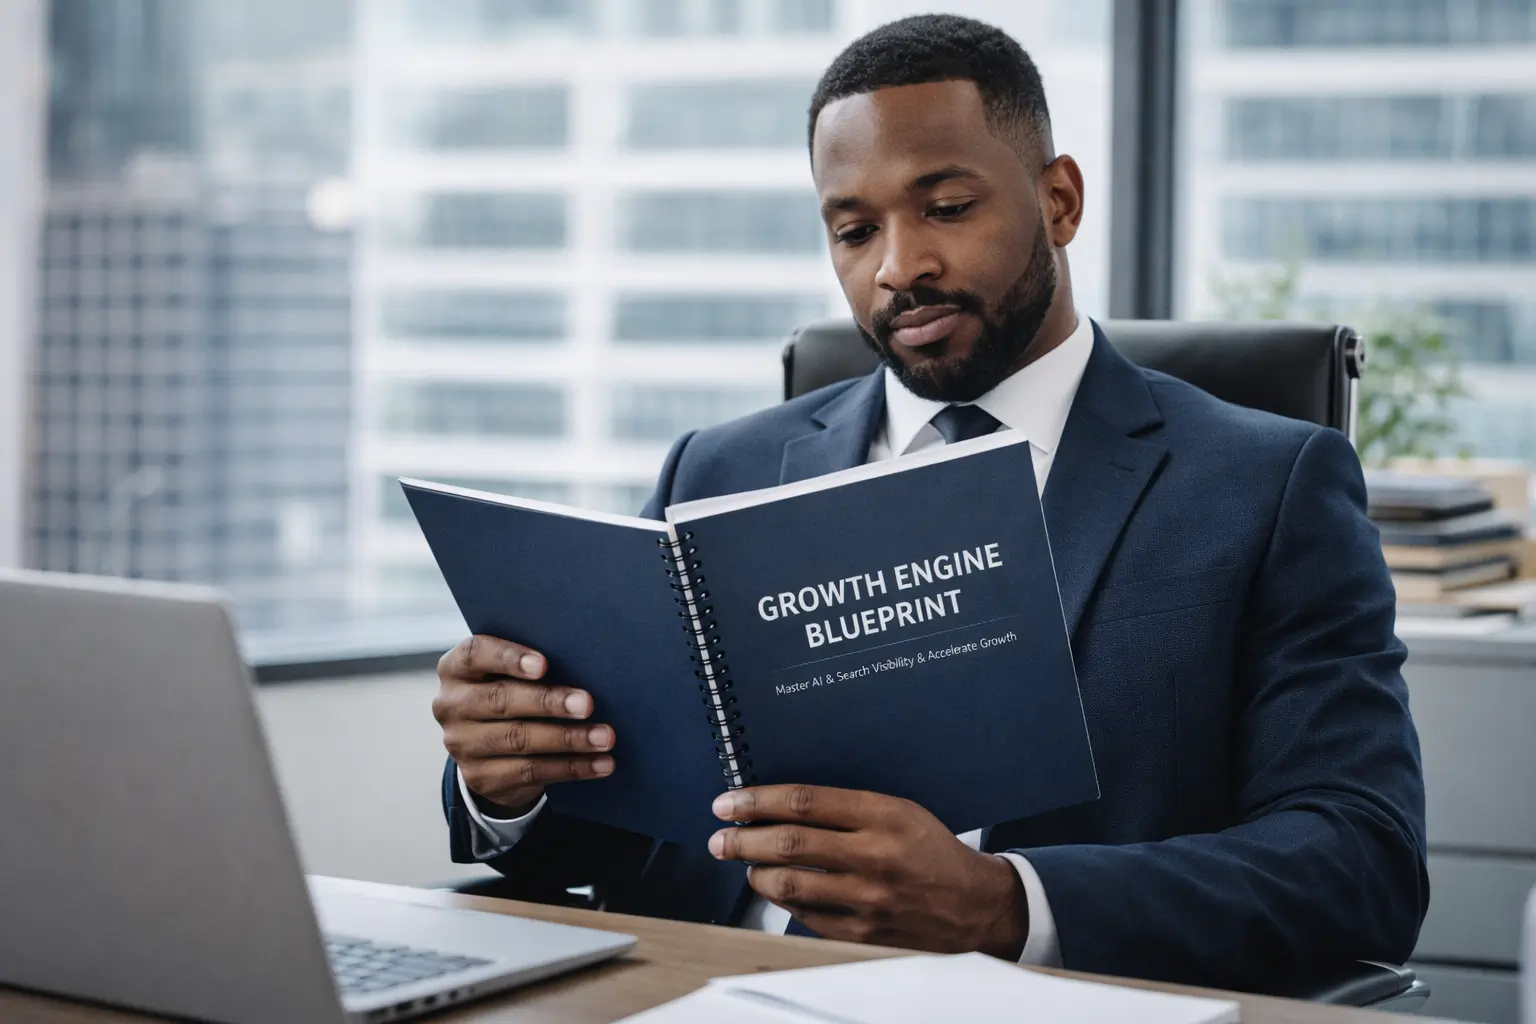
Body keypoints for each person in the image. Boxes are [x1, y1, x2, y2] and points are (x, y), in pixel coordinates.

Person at [431, 14, 1428, 990]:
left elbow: (1360, 861)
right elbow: (619, 837)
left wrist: (1006, 903)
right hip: (707, 988)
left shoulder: (1265, 484)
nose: (899, 267)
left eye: (946, 207)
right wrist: (508, 781)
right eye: (855, 229)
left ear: (1061, 202)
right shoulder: (717, 470)